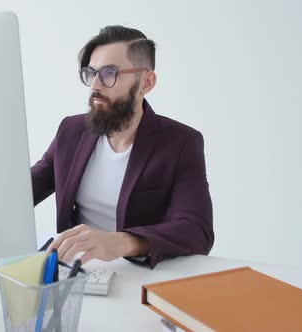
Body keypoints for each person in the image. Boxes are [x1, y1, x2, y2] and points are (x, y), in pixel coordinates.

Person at [31, 25, 214, 268]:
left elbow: (197, 230)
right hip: (76, 272)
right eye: (91, 73)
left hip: (140, 274)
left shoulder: (181, 142)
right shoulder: (71, 130)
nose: (95, 85)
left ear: (146, 82)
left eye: (109, 73)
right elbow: (25, 191)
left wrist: (120, 243)